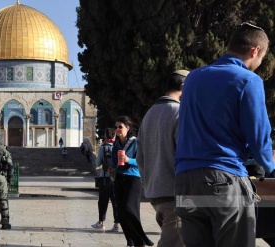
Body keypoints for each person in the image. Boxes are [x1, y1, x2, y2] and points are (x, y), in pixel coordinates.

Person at [174, 22, 274, 247]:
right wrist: (269, 165)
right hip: (223, 181)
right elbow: (259, 137)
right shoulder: (248, 80)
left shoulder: (193, 79)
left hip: (186, 182)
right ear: (255, 51)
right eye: (262, 57)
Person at [137, 70, 189, 247]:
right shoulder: (180, 112)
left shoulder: (149, 114)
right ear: (184, 86)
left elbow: (140, 157)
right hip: (175, 195)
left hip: (156, 193)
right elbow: (185, 155)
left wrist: (148, 184)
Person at [111, 116, 153, 247]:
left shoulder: (135, 142)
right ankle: (131, 240)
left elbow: (144, 160)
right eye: (116, 127)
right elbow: (113, 160)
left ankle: (142, 238)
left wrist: (129, 160)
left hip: (133, 178)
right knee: (121, 211)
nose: (117, 129)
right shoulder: (116, 143)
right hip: (119, 177)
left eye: (120, 126)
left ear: (127, 128)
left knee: (130, 208)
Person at [91, 127, 119, 231]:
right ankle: (116, 224)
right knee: (115, 201)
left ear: (106, 136)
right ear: (114, 136)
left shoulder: (103, 147)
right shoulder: (118, 146)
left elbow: (98, 163)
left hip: (105, 178)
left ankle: (101, 222)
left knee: (103, 200)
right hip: (116, 178)